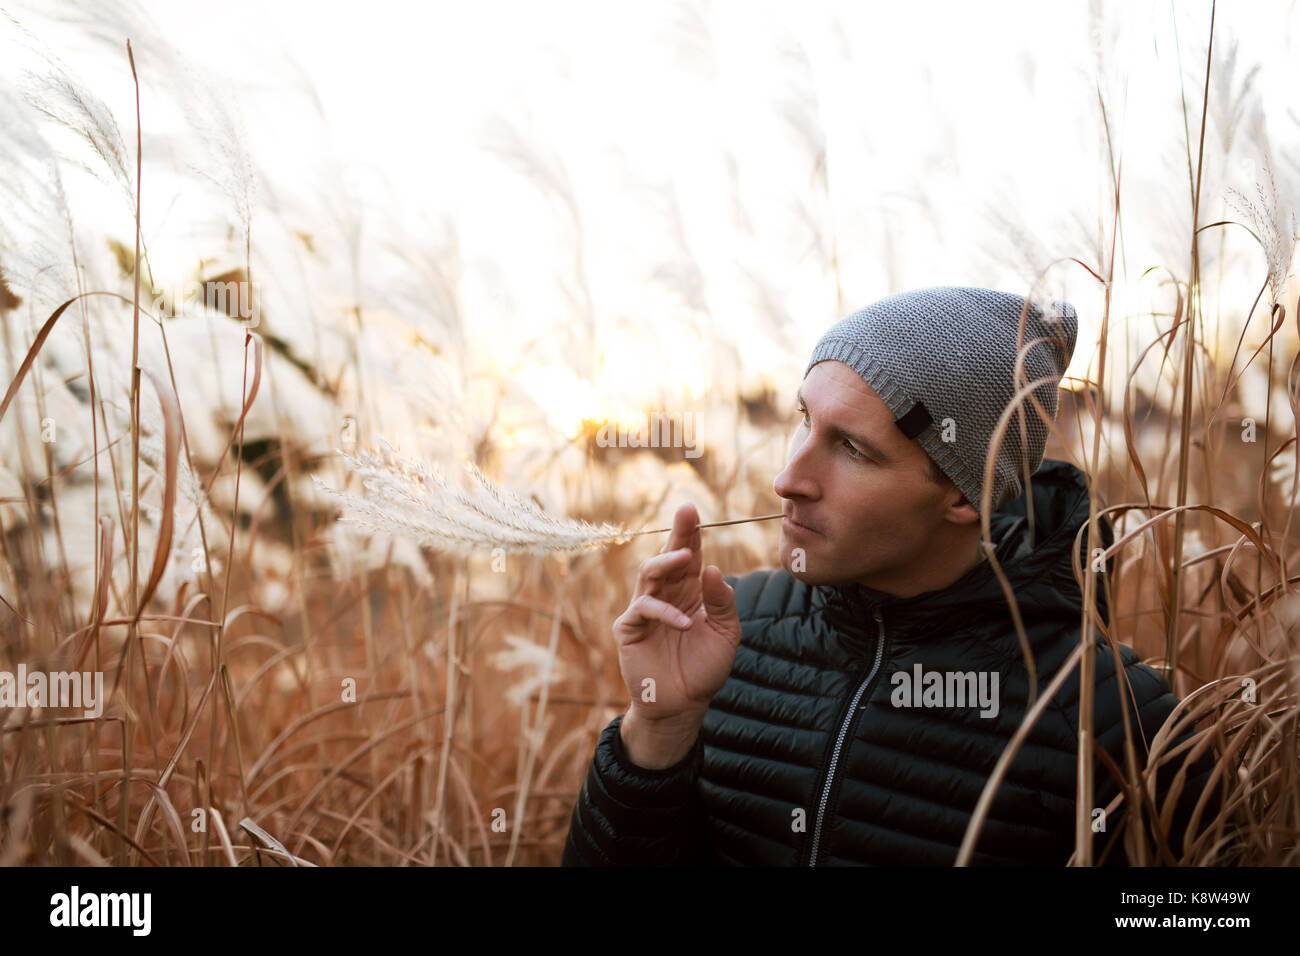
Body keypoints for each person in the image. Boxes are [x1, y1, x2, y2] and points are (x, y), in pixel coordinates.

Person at [561, 286, 1219, 866]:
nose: (788, 479)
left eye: (852, 448)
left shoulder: (1117, 725)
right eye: (804, 422)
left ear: (969, 494)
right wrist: (657, 732)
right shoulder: (727, 629)